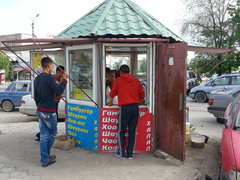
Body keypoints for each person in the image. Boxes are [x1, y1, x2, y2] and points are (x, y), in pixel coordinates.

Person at [34, 57, 68, 167]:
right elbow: (58, 91)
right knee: (53, 134)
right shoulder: (49, 78)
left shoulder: (37, 78)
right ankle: (45, 157)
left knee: (44, 135)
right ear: (48, 66)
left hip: (40, 110)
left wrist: (40, 106)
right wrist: (65, 80)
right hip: (49, 111)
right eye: (52, 65)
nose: (53, 67)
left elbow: (36, 97)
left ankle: (45, 158)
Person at [108, 65, 145, 159]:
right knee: (132, 131)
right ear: (129, 71)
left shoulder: (118, 80)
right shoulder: (136, 81)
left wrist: (110, 103)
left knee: (121, 131)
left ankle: (121, 153)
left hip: (124, 108)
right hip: (135, 108)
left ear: (120, 72)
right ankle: (130, 154)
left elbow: (112, 93)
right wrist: (139, 103)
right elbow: (142, 94)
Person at [35, 65, 65, 141]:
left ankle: (42, 136)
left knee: (52, 122)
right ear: (59, 72)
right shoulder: (52, 78)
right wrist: (65, 80)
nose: (63, 74)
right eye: (63, 72)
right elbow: (57, 91)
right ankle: (41, 135)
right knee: (52, 124)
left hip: (53, 103)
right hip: (51, 104)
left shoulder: (57, 79)